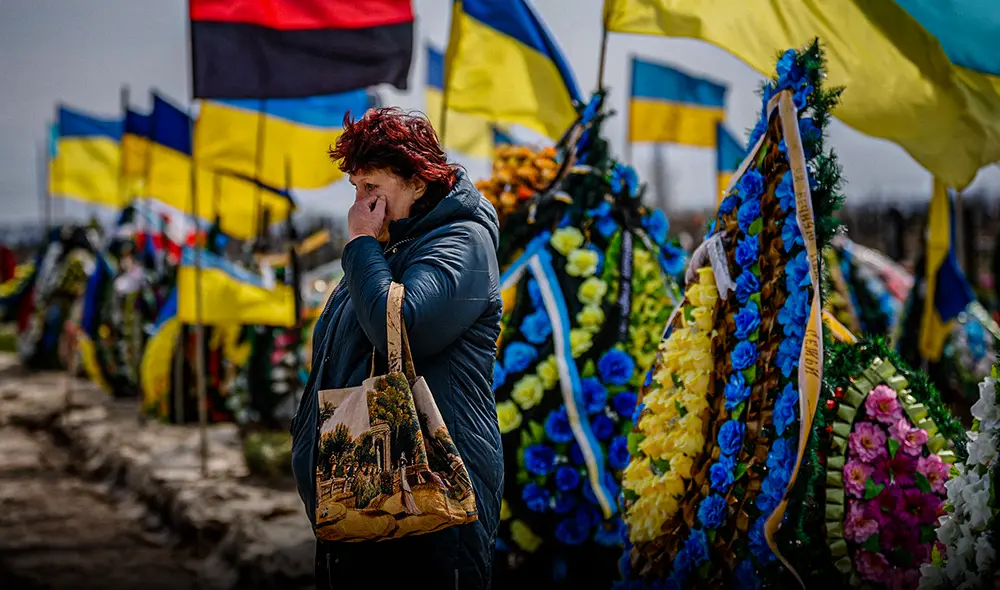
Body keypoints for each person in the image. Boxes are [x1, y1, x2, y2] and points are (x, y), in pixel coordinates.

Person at [291, 108, 503, 589]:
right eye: (356, 190)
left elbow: (406, 326)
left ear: (418, 184)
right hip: (366, 501)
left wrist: (361, 244)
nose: (359, 205)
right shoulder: (387, 249)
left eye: (373, 189)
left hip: (430, 506)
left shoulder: (461, 242)